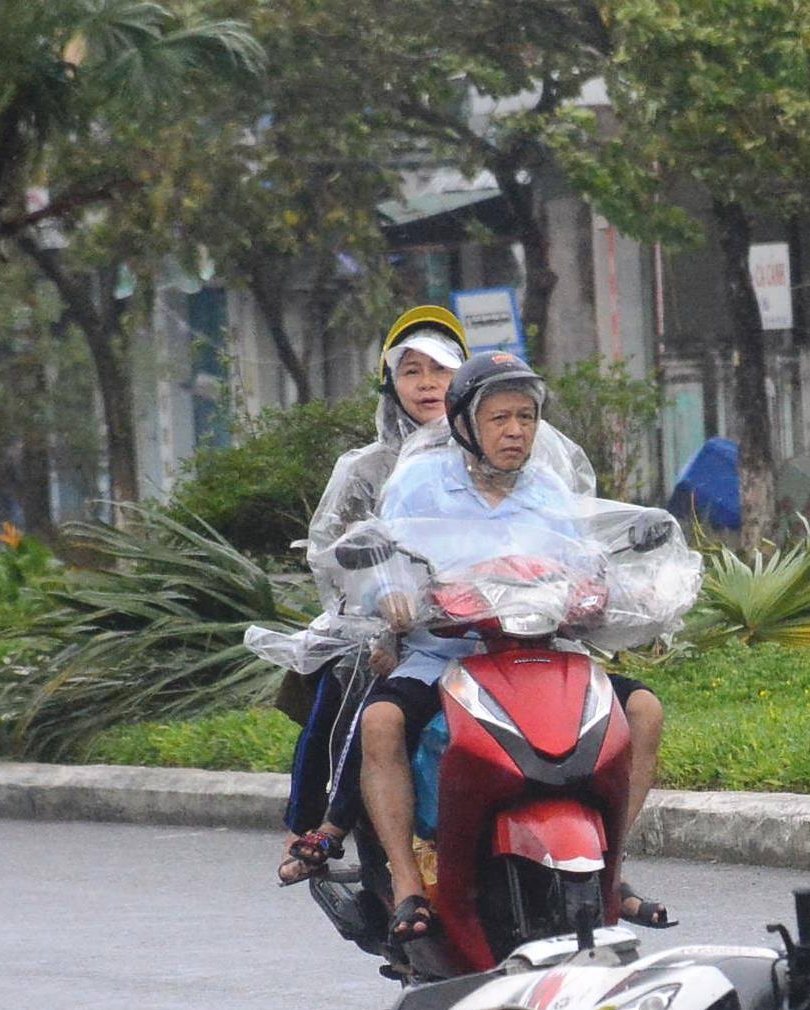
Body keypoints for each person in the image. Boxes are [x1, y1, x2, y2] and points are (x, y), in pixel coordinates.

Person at [351, 351, 675, 947]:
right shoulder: (419, 484)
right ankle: (406, 884)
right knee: (381, 721)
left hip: (541, 655)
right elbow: (385, 557)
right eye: (500, 418)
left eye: (526, 417)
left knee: (644, 711)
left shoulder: (550, 491)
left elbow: (585, 564)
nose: (516, 431)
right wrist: (392, 594)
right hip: (447, 656)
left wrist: (616, 592)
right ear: (465, 424)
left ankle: (613, 868)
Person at [272, 306, 468, 887]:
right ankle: (314, 826)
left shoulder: (492, 457)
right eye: (412, 371)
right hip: (380, 627)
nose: (428, 383)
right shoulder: (365, 468)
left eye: (442, 369)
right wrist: (383, 624)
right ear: (391, 384)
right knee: (349, 689)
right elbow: (333, 553)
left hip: (476, 625)